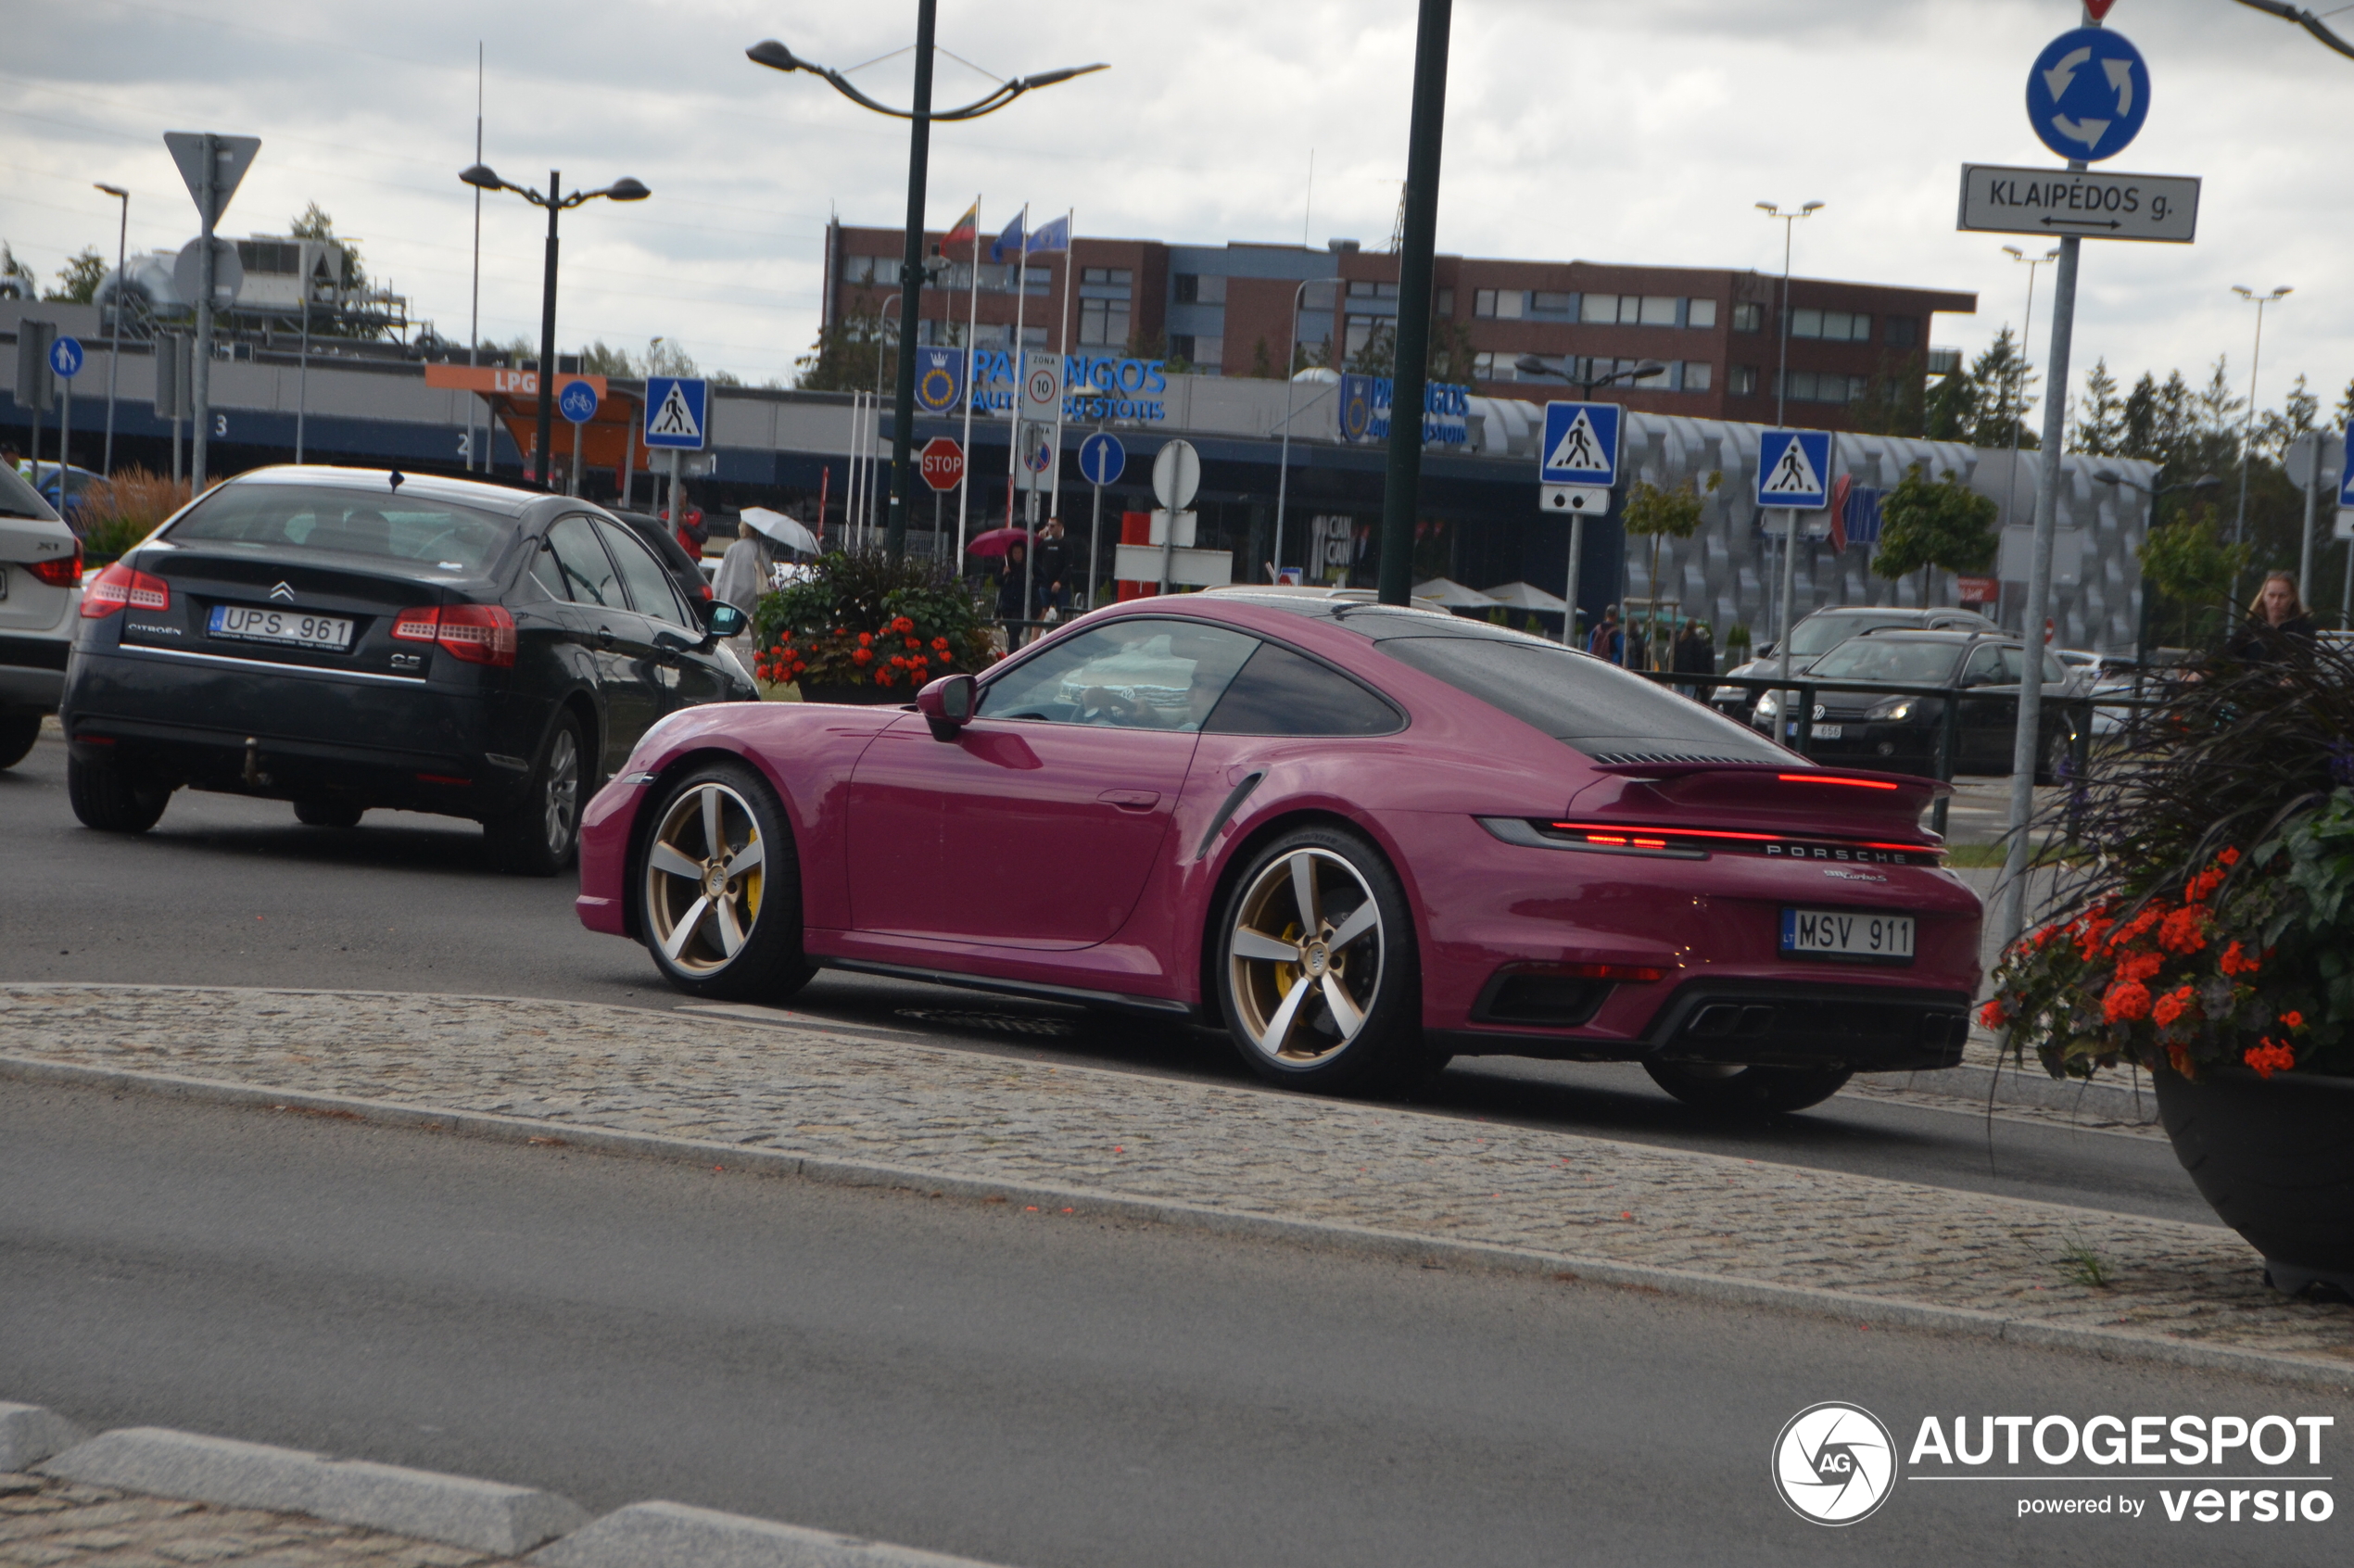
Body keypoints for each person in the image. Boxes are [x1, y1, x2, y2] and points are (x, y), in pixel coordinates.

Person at [2227, 571, 2317, 664]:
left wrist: (2291, 678)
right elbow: (2226, 655)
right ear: (2263, 597)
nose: (2276, 601)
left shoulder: (2303, 629)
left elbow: (2305, 662)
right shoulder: (2251, 627)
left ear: (2293, 597)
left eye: (2282, 596)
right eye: (2271, 595)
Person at [664, 485, 708, 561]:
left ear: (684, 496)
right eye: (669, 495)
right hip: (668, 556)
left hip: (690, 558)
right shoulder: (663, 514)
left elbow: (703, 538)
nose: (671, 499)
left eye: (675, 495)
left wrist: (686, 525)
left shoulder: (697, 513)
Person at [1674, 620, 1716, 697]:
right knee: (1688, 697)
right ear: (1695, 628)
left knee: (1678, 696)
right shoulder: (1695, 641)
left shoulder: (1678, 639)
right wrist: (1700, 676)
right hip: (1691, 674)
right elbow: (1699, 660)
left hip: (1678, 673)